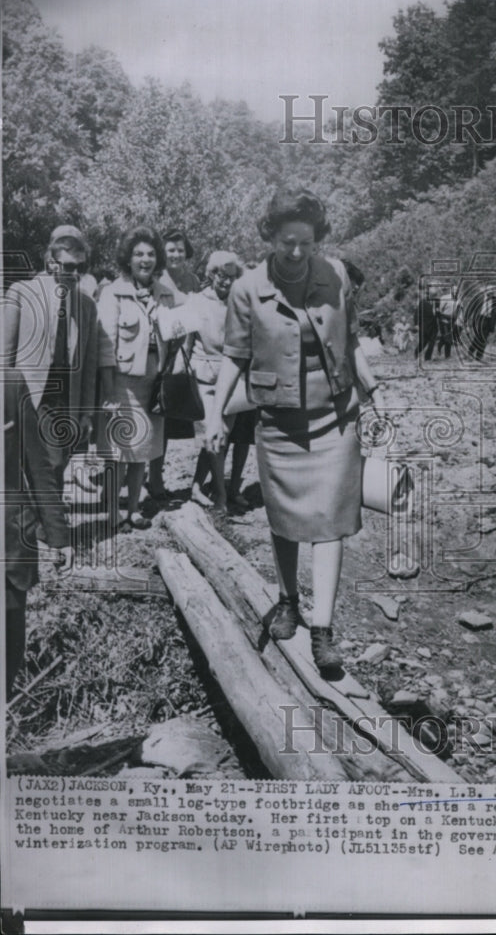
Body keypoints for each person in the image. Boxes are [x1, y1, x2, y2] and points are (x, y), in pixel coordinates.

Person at [206, 189, 384, 680]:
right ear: (271, 236)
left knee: (331, 519)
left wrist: (374, 390)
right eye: (288, 242)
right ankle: (288, 601)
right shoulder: (246, 288)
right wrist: (217, 412)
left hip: (335, 416)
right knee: (283, 517)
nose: (298, 252)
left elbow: (349, 342)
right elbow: (234, 357)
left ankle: (323, 629)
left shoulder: (337, 276)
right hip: (279, 421)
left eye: (307, 242)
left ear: (317, 238)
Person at [3, 225, 98, 496]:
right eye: (69, 267)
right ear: (52, 262)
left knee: (56, 461)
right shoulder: (22, 292)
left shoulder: (87, 306)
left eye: (81, 266)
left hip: (66, 395)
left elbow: (89, 366)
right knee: (38, 463)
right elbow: (6, 356)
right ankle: (45, 524)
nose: (75, 273)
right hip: (29, 393)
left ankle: (46, 521)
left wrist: (86, 412)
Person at [96, 226, 174, 530]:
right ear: (128, 259)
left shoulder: (164, 293)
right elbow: (104, 346)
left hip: (154, 384)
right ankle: (114, 511)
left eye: (151, 254)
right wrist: (108, 390)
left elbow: (182, 322)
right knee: (118, 449)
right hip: (122, 383)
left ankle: (134, 510)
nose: (145, 259)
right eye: (138, 254)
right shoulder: (112, 292)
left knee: (144, 448)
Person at [4, 369, 73, 692]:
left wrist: (58, 534)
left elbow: (38, 465)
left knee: (8, 655)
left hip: (8, 550)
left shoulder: (10, 384)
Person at [185, 250, 256, 513]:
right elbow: (187, 343)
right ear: (211, 274)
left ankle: (196, 487)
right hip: (202, 374)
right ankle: (222, 494)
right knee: (215, 435)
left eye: (231, 276)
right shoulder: (195, 301)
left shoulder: (241, 303)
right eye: (220, 275)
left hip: (232, 378)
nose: (225, 281)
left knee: (220, 437)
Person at [145, 228, 200, 502]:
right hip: (159, 353)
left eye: (180, 249)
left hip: (184, 354)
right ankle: (152, 478)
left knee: (169, 418)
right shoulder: (156, 279)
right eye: (170, 250)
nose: (176, 254)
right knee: (155, 418)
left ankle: (157, 475)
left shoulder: (192, 280)